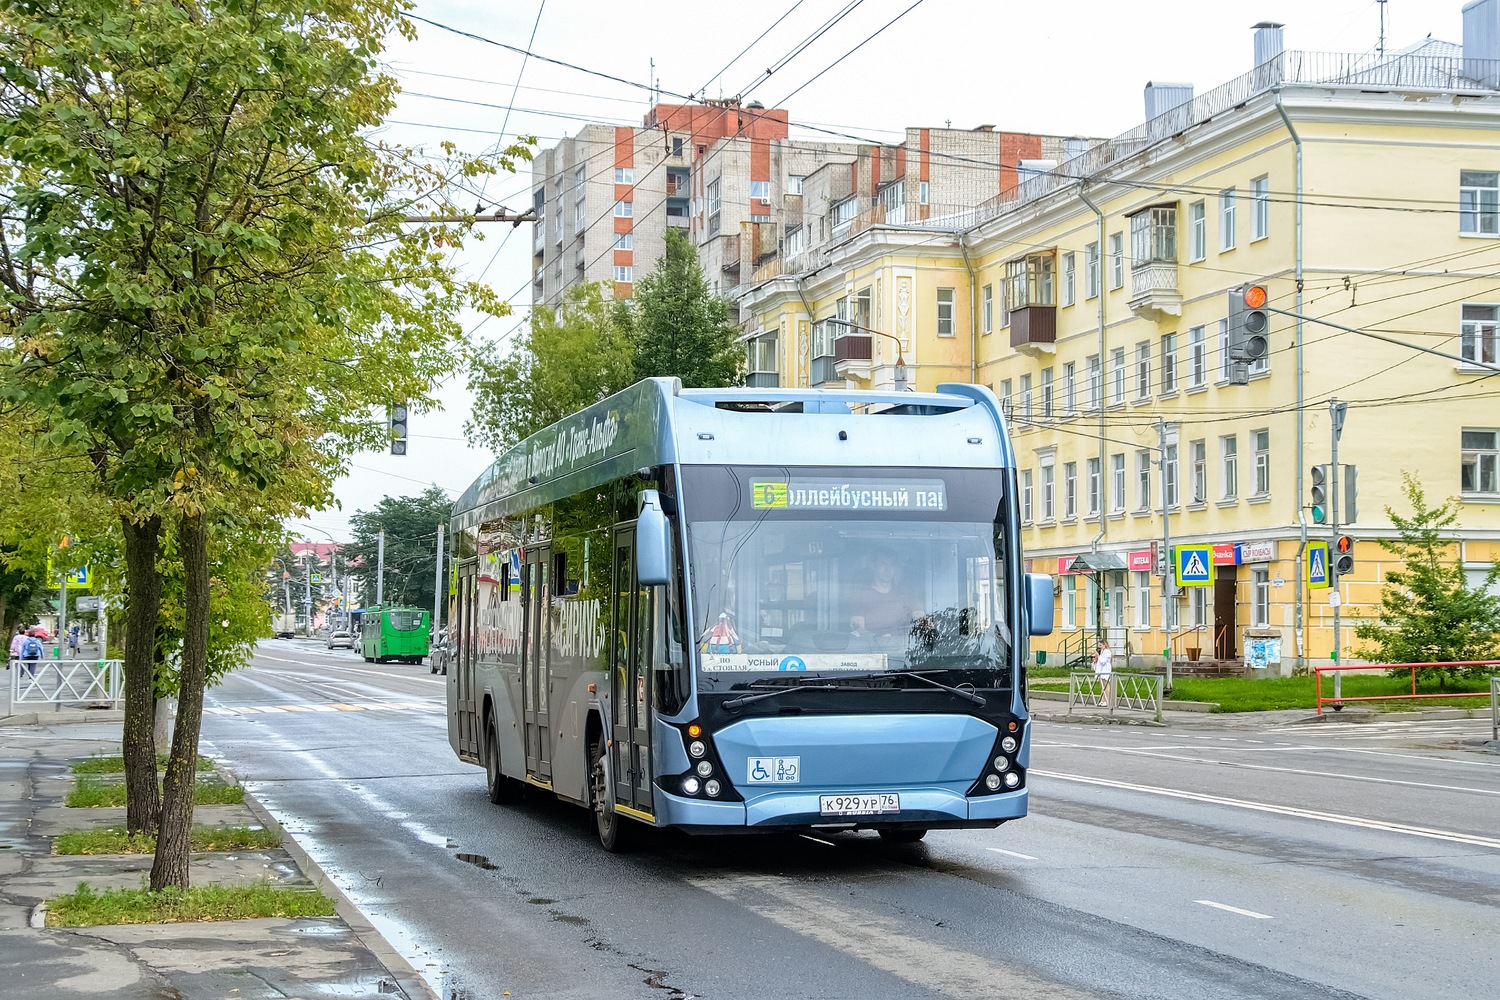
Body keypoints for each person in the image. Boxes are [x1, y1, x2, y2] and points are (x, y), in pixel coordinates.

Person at [848, 548, 924, 640]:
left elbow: (920, 618)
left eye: (892, 564)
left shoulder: (905, 594)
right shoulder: (861, 596)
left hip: (903, 651)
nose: (888, 569)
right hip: (872, 651)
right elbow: (859, 631)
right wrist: (880, 639)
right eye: (883, 564)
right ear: (873, 566)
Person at [1092, 638, 1113, 707]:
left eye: (1101, 645)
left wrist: (1098, 656)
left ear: (1105, 645)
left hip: (1105, 670)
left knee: (1106, 685)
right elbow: (1100, 661)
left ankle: (1107, 700)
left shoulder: (1107, 652)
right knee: (1103, 686)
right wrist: (1096, 659)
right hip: (1101, 670)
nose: (1100, 647)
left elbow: (1103, 661)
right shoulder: (1103, 651)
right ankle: (1102, 700)